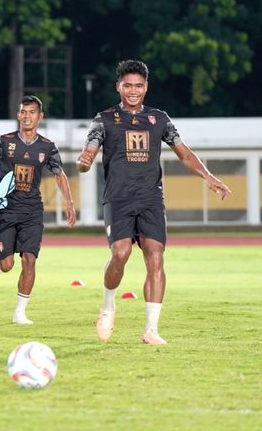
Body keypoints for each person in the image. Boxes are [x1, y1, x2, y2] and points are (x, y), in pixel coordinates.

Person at [76, 59, 232, 345]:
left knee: (155, 257)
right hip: (118, 198)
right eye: (127, 86)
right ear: (118, 87)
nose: (133, 91)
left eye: (138, 85)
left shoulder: (159, 119)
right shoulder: (104, 119)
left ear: (146, 87)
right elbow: (89, 151)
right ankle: (108, 304)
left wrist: (208, 176)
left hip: (150, 198)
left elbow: (184, 153)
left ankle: (151, 329)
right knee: (121, 253)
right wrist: (84, 162)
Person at [0, 95, 76, 325]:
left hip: (32, 211)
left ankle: (20, 312)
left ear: (40, 116)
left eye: (32, 112)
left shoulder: (47, 147)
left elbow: (59, 174)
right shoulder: (4, 141)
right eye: (23, 112)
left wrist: (69, 203)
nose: (27, 116)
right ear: (18, 115)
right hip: (8, 210)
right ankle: (1, 258)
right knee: (7, 265)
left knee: (30, 259)